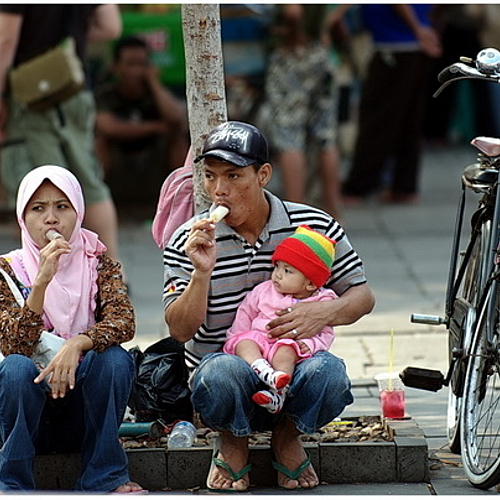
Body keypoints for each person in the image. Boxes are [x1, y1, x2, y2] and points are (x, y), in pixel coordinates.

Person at [163, 120, 375, 491]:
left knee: (329, 374)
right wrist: (201, 273)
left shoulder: (313, 225)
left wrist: (322, 312)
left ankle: (287, 437)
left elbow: (362, 296)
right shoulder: (188, 239)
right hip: (225, 375)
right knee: (220, 373)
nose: (219, 190)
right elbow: (180, 331)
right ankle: (233, 440)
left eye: (233, 176)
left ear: (263, 175)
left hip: (291, 371)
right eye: (210, 176)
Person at [0, 165, 143, 493]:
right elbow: (13, 345)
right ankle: (12, 485)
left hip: (80, 413)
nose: (51, 219)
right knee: (16, 368)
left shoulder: (98, 261)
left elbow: (123, 321)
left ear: (78, 212)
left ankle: (104, 476)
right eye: (38, 208)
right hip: (24, 416)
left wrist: (77, 343)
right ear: (23, 218)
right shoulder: (7, 271)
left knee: (115, 359)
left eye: (62, 207)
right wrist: (41, 283)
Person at [0, 5, 122, 261]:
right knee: (89, 183)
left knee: (41, 187)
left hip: (30, 96)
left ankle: (52, 274)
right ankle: (112, 274)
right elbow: (111, 27)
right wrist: (71, 37)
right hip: (74, 86)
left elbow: (6, 40)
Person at [224, 225, 337, 414]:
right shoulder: (264, 290)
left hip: (288, 346)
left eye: (287, 271)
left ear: (310, 283)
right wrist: (236, 338)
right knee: (245, 342)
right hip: (259, 342)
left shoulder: (322, 301)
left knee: (286, 351)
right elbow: (246, 312)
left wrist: (311, 344)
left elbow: (326, 333)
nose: (277, 274)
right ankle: (264, 371)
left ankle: (278, 392)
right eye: (277, 266)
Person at [342, 4, 442, 206]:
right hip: (408, 41)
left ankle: (360, 185)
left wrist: (418, 28)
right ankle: (403, 186)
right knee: (407, 120)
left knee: (378, 119)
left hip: (395, 43)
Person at [264, 4, 344, 219]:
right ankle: (333, 211)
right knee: (326, 137)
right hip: (321, 53)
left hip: (293, 55)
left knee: (289, 138)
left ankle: (296, 215)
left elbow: (293, 11)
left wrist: (290, 33)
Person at [95, 35, 189, 208]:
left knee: (178, 137)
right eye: (130, 64)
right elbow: (108, 127)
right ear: (116, 67)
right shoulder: (106, 94)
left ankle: (184, 197)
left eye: (142, 64)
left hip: (154, 152)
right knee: (99, 140)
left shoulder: (155, 94)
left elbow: (176, 118)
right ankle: (99, 201)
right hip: (119, 152)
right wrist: (155, 127)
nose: (137, 71)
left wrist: (154, 83)